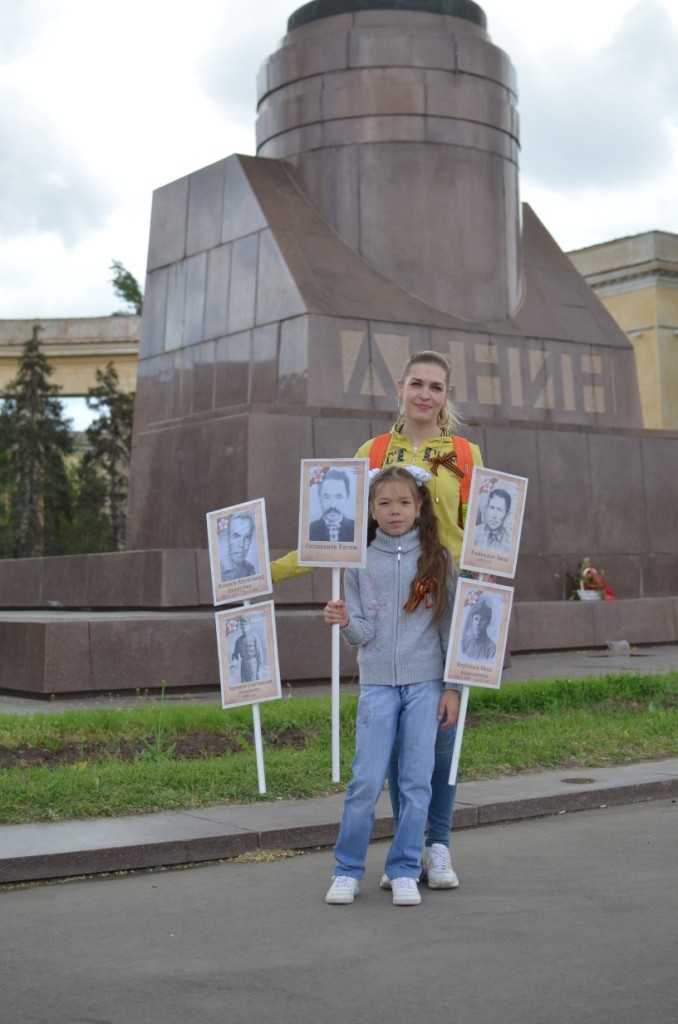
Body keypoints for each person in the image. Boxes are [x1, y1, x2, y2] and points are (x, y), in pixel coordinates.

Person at [271, 350, 484, 889]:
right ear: (400, 386)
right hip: (385, 600)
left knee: (441, 739)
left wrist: (490, 594)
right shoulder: (372, 452)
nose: (425, 395)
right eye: (417, 383)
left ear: (447, 396)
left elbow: (484, 533)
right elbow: (333, 532)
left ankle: (437, 845)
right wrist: (268, 572)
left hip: (445, 603)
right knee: (396, 747)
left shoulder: (465, 452)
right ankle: (405, 852)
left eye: (437, 387)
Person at [323, 465, 460, 906]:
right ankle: (347, 869)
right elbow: (363, 632)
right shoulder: (358, 562)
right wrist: (346, 623)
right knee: (365, 779)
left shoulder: (437, 560)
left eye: (404, 502)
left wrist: (452, 687)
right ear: (370, 509)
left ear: (419, 507)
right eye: (384, 503)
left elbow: (450, 628)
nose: (395, 510)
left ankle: (404, 868)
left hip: (426, 683)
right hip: (377, 684)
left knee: (416, 779)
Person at [309, 468, 355, 542]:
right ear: (319, 497)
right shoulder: (309, 530)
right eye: (327, 497)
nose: (333, 505)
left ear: (347, 497)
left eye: (339, 497)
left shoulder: (356, 529)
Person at [220, 511, 256, 582]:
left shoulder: (250, 568)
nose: (242, 545)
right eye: (236, 537)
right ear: (228, 538)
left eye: (247, 537)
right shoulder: (219, 569)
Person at [474, 487, 511, 552]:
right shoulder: (474, 533)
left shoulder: (510, 543)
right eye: (492, 507)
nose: (494, 515)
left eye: (500, 510)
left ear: (506, 514)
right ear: (487, 508)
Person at [461, 595, 497, 661]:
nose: (478, 623)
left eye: (482, 619)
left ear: (488, 622)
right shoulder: (466, 645)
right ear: (472, 621)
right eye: (476, 619)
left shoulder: (492, 648)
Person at [230, 616, 264, 683]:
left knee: (254, 686)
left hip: (253, 665)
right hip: (243, 666)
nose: (244, 626)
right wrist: (234, 662)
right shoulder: (238, 640)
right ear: (240, 627)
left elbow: (260, 655)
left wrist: (259, 670)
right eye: (242, 624)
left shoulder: (255, 637)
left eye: (246, 624)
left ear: (249, 625)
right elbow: (235, 654)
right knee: (244, 685)